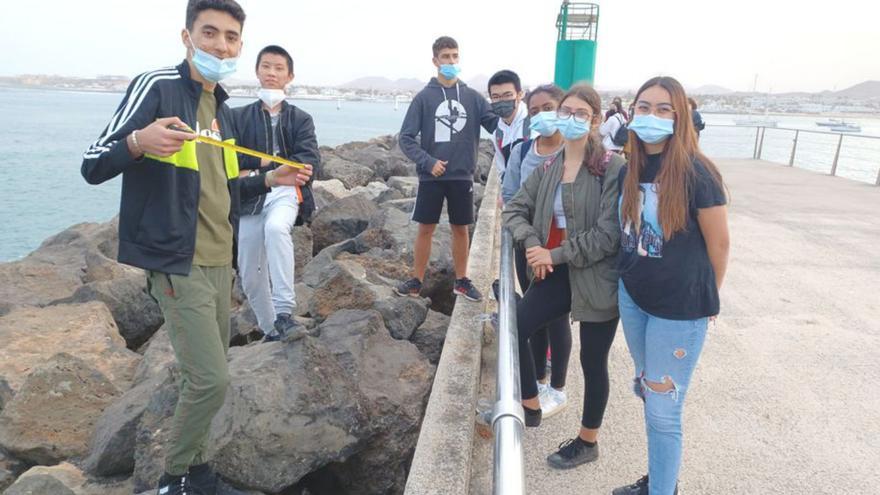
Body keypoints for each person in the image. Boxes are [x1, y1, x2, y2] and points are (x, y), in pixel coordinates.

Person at [80, 2, 311, 494]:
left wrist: (272, 178)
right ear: (187, 36)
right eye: (209, 33)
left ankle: (198, 470)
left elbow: (224, 187)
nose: (219, 46)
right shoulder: (158, 87)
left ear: (239, 46)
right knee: (211, 381)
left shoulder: (221, 110)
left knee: (203, 376)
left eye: (230, 37)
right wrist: (138, 141)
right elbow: (93, 163)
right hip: (174, 262)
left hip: (215, 262)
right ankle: (173, 479)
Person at [612, 76, 729, 495]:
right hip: (634, 298)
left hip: (679, 310)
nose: (652, 116)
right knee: (648, 393)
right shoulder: (632, 169)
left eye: (664, 109)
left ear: (679, 117)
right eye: (643, 107)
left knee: (664, 412)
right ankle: (660, 480)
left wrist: (706, 297)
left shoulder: (699, 172)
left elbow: (719, 243)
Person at [503, 83, 625, 468]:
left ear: (595, 120)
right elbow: (514, 210)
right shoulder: (549, 166)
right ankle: (530, 403)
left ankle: (588, 441)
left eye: (580, 114)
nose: (571, 120)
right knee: (515, 327)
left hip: (597, 277)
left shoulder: (612, 167)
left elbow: (608, 235)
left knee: (593, 361)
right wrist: (533, 243)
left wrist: (550, 253)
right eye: (565, 112)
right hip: (556, 270)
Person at [396, 36, 498, 302]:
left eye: (454, 56)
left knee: (461, 228)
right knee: (425, 229)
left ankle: (462, 281)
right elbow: (405, 137)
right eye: (445, 57)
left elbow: (497, 126)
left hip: (462, 175)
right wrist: (428, 162)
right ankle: (416, 281)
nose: (451, 61)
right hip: (431, 177)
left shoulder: (473, 98)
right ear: (435, 61)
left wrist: (518, 111)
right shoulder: (423, 98)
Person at [233, 44, 320, 342]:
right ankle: (271, 330)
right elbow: (229, 162)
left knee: (276, 228)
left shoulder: (301, 119)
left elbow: (308, 161)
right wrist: (268, 164)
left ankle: (285, 313)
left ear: (289, 76)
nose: (271, 73)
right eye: (266, 66)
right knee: (249, 274)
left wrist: (258, 169)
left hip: (285, 191)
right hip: (249, 197)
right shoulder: (237, 117)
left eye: (278, 68)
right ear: (257, 71)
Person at [500, 83, 570, 417]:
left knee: (556, 318)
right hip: (526, 246)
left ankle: (557, 388)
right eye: (535, 110)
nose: (542, 114)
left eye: (549, 107)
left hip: (556, 250)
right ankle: (539, 378)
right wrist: (527, 237)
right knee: (534, 313)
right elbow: (511, 195)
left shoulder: (573, 152)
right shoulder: (523, 151)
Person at [488, 69, 529, 179]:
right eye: (496, 97)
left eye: (507, 95)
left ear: (519, 95)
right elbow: (503, 171)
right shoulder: (498, 134)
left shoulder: (533, 125)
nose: (502, 101)